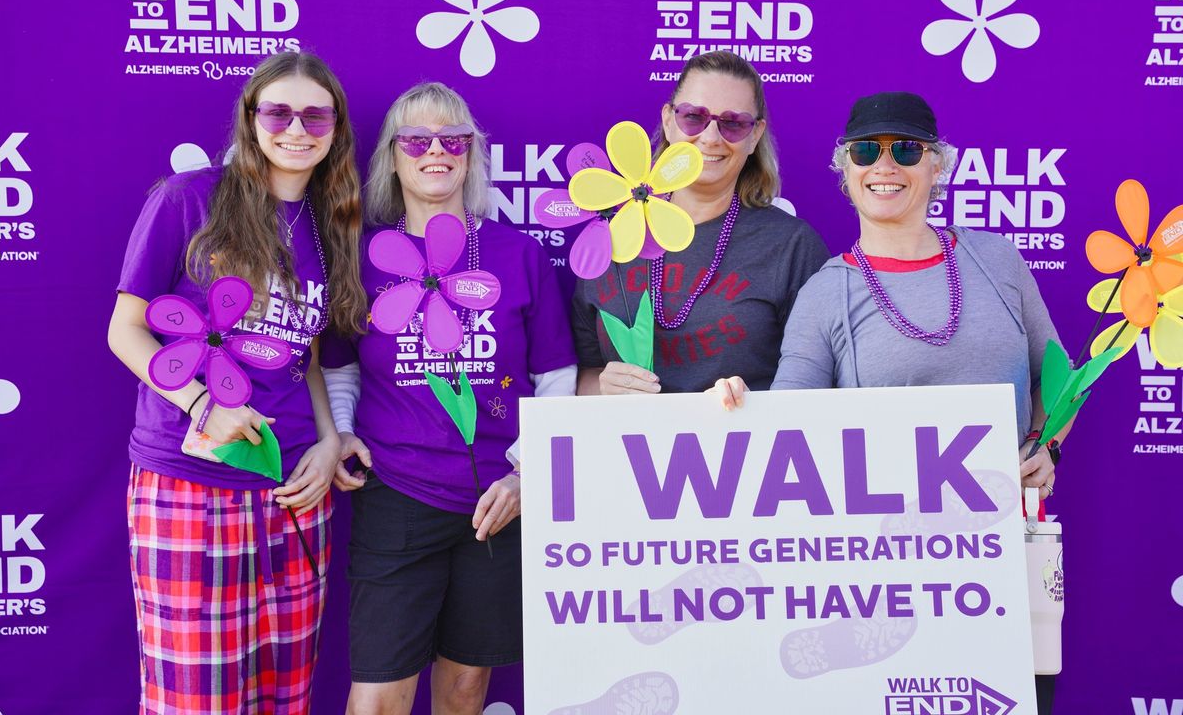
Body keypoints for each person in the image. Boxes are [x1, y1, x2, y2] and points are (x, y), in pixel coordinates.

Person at [711, 91, 1063, 715]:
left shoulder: (997, 260)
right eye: (866, 151)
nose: (885, 165)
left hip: (1004, 556)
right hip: (886, 578)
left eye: (906, 149)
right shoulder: (826, 293)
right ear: (844, 172)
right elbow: (790, 418)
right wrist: (740, 403)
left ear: (937, 166)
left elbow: (1057, 378)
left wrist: (1046, 445)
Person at [107, 51, 366, 713]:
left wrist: (331, 441)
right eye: (277, 111)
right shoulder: (189, 198)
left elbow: (305, 357)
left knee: (287, 696)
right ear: (251, 120)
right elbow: (125, 331)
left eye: (316, 114)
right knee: (197, 697)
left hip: (293, 493)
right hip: (192, 482)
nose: (296, 128)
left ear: (335, 127)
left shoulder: (332, 225)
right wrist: (201, 407)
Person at [323, 82, 577, 715]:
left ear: (471, 153)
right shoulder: (364, 255)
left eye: (452, 139)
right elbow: (339, 367)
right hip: (395, 496)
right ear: (393, 155)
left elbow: (555, 378)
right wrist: (345, 431)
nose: (435, 152)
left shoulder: (517, 254)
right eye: (417, 139)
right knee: (380, 695)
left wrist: (526, 471)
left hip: (497, 503)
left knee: (464, 691)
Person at [573, 50, 829, 396]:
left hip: (745, 446)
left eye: (734, 123)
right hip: (622, 446)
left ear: (755, 136)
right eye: (694, 117)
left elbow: (818, 385)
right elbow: (581, 376)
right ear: (668, 120)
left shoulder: (792, 246)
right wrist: (603, 389)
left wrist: (753, 404)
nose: (710, 138)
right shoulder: (609, 235)